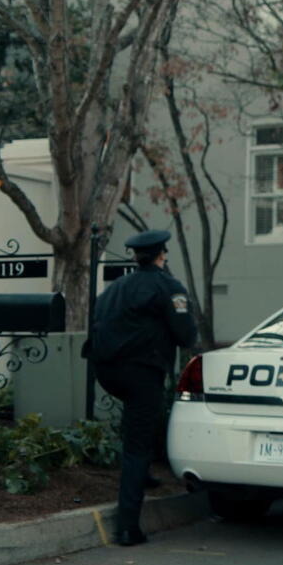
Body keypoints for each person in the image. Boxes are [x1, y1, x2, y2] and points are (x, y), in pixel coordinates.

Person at [89, 229, 198, 546]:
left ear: (136, 257)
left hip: (106, 371)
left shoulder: (116, 287)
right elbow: (186, 336)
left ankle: (144, 475)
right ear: (162, 254)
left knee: (137, 426)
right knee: (136, 445)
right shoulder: (169, 287)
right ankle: (128, 528)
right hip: (142, 373)